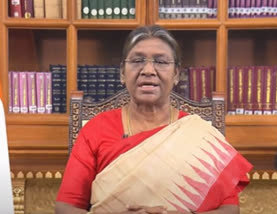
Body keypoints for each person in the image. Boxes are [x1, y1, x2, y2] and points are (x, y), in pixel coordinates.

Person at [55, 25, 252, 214]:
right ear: (123, 73)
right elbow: (65, 208)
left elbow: (230, 210)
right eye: (137, 60)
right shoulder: (96, 129)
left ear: (176, 74)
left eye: (161, 62)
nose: (148, 70)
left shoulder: (200, 135)